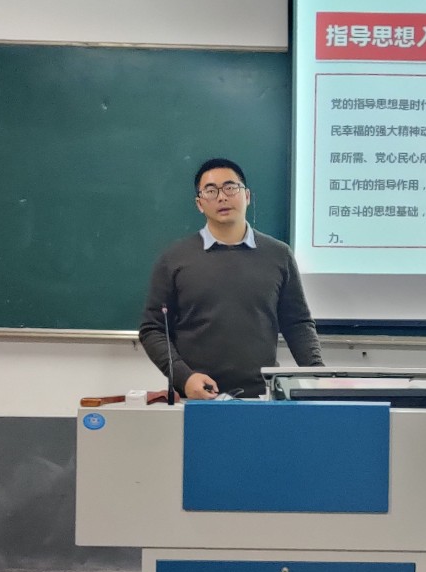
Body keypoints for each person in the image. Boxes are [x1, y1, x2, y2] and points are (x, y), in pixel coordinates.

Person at [138, 158, 323, 399]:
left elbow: (297, 324)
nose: (222, 197)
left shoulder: (278, 255)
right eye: (211, 191)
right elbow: (153, 329)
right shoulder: (174, 259)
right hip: (197, 398)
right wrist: (185, 377)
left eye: (230, 187)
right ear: (199, 204)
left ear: (247, 195)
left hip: (261, 397)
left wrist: (320, 377)